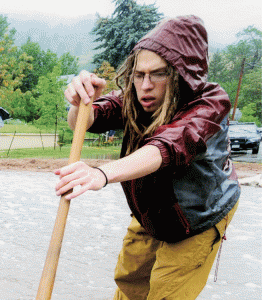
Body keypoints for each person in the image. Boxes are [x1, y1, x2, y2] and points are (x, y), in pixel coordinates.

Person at [56, 16, 240, 299]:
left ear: (182, 74)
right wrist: (82, 101)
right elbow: (89, 119)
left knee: (166, 293)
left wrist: (102, 173)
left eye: (158, 74)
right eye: (139, 74)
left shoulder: (210, 104)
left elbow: (168, 146)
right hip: (152, 211)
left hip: (198, 216)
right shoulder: (137, 96)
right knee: (129, 282)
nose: (145, 85)